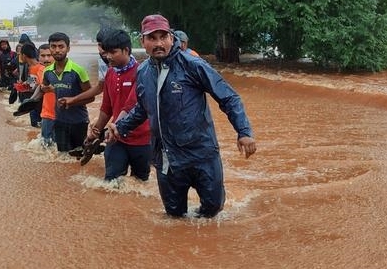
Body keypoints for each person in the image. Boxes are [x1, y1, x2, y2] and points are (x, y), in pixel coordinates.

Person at [107, 14, 256, 218]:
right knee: (174, 217)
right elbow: (143, 109)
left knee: (213, 210)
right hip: (166, 157)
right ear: (142, 41)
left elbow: (229, 97)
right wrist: (121, 127)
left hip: (201, 153)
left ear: (171, 37)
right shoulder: (142, 72)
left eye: (163, 37)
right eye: (152, 38)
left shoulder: (193, 65)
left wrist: (244, 132)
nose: (158, 43)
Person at [87, 28, 151, 181]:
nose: (108, 57)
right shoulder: (110, 73)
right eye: (106, 52)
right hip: (116, 139)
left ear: (126, 50)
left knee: (140, 183)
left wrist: (113, 127)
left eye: (113, 52)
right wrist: (94, 132)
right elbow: (106, 108)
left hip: (142, 140)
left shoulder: (143, 72)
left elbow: (130, 105)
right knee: (111, 182)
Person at [41, 32, 92, 152]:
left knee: (79, 156)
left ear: (68, 48)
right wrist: (33, 99)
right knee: (62, 157)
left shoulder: (78, 70)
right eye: (53, 46)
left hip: (79, 121)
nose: (57, 50)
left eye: (61, 46)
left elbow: (91, 97)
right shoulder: (47, 71)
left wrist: (72, 102)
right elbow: (43, 87)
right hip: (59, 121)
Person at [57, 27, 110, 108]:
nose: (102, 50)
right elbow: (100, 87)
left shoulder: (129, 64)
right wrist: (73, 99)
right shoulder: (102, 61)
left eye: (106, 45)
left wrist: (73, 99)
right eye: (100, 45)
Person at [17, 43, 44, 127]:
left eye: (20, 54)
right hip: (32, 102)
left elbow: (41, 85)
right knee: (34, 126)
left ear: (24, 55)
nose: (19, 56)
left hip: (39, 103)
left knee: (38, 126)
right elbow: (34, 80)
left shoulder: (40, 68)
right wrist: (26, 83)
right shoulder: (30, 67)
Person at [37, 44, 56, 147]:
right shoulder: (41, 70)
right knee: (46, 146)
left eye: (49, 55)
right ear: (38, 57)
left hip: (64, 115)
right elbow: (41, 88)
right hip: (47, 114)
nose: (46, 59)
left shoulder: (66, 70)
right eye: (43, 56)